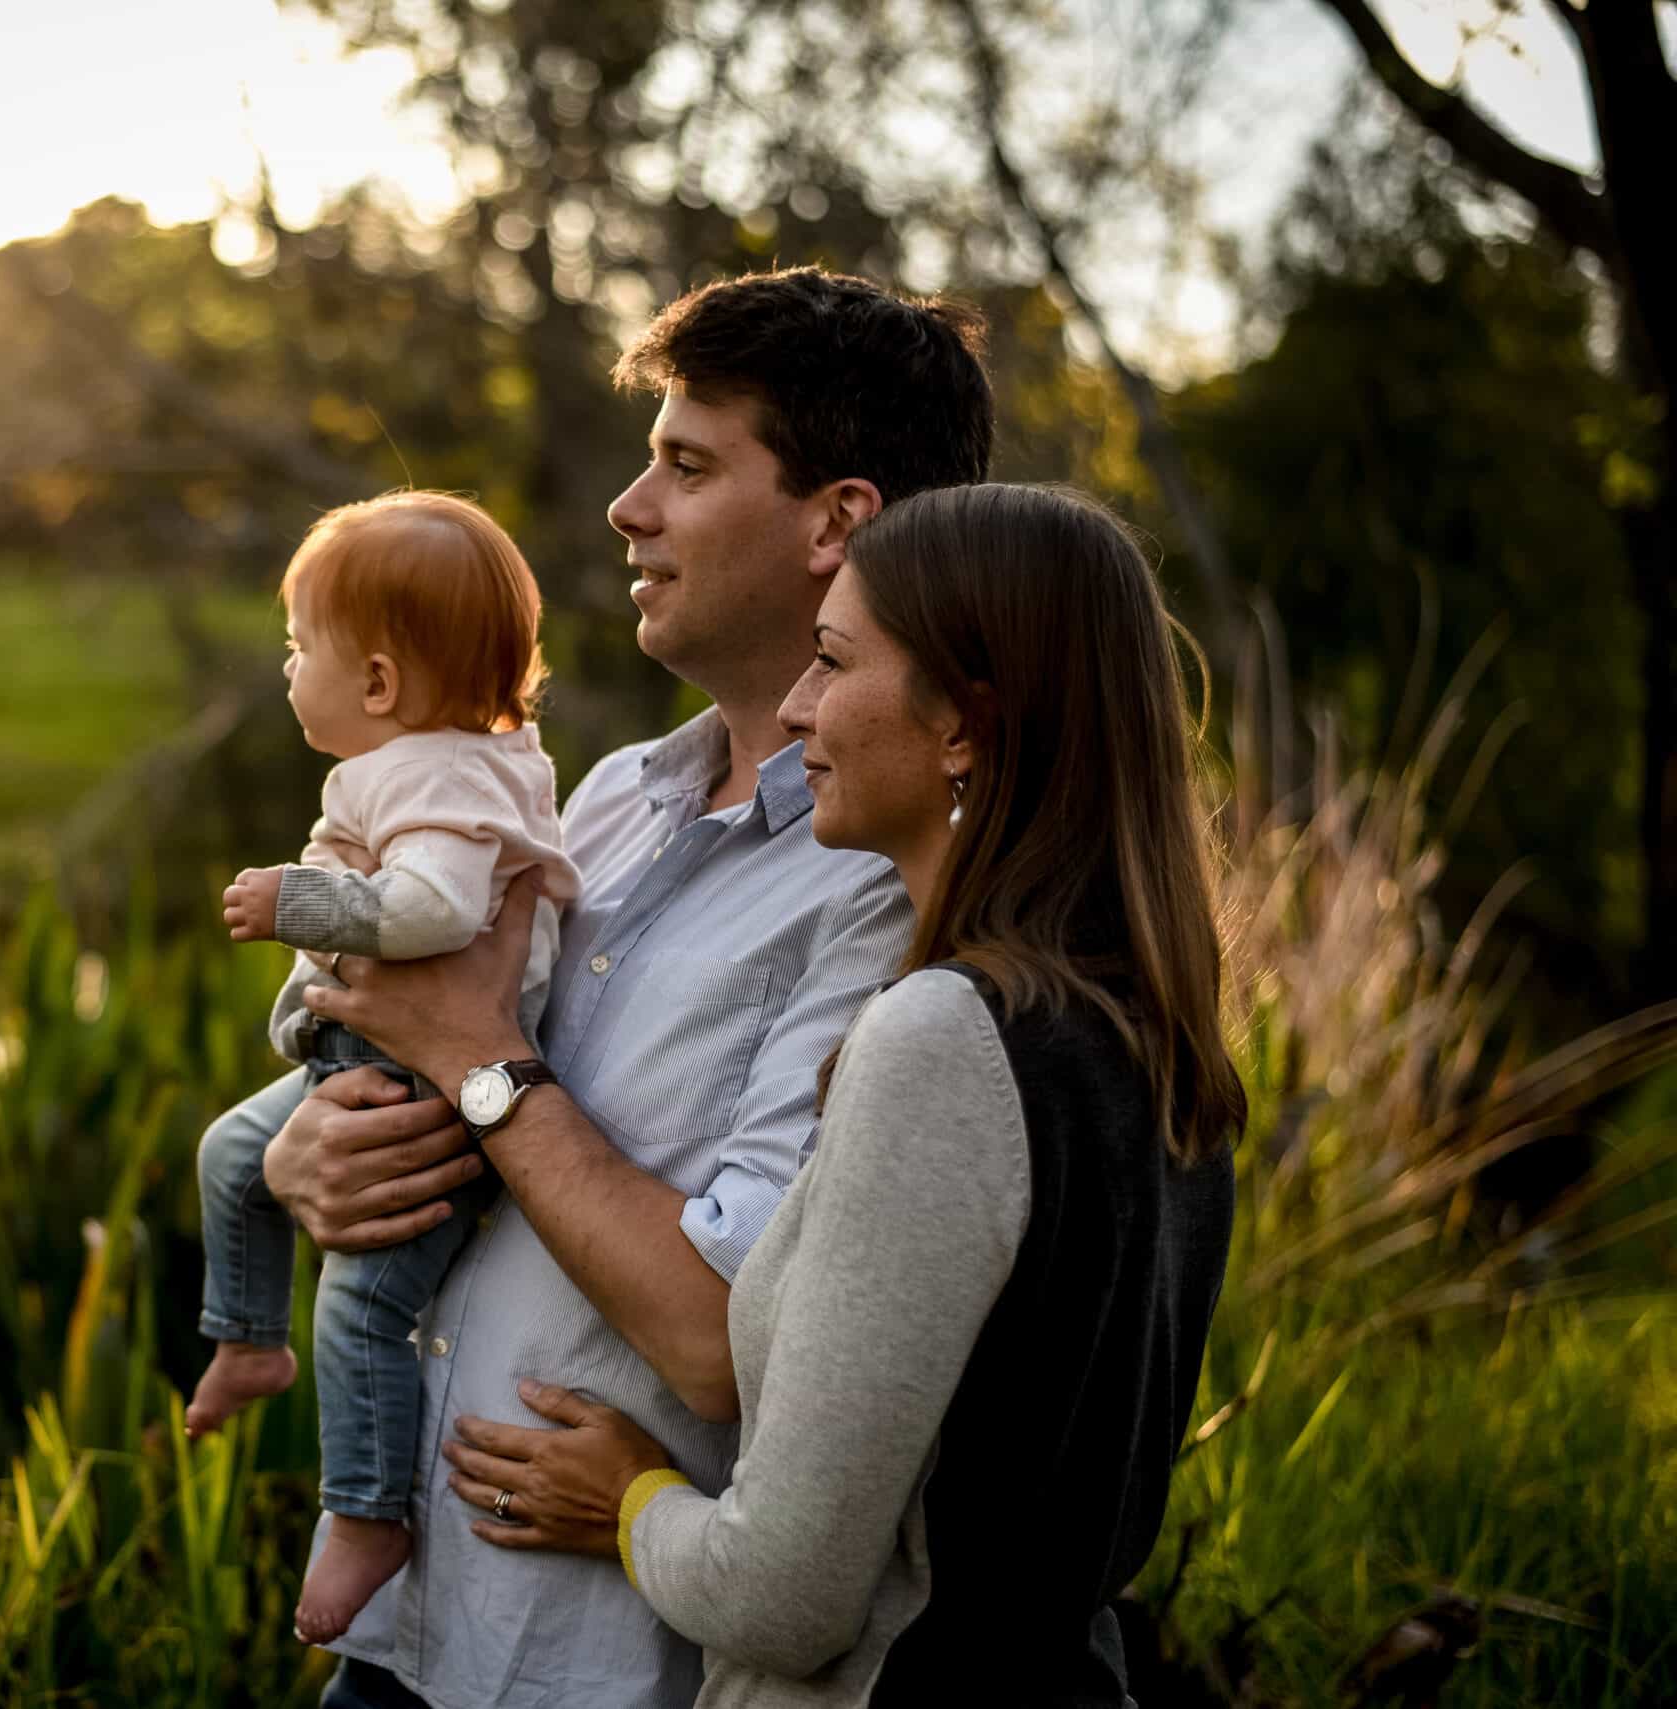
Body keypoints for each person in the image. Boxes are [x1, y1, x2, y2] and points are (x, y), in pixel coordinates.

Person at [233, 268, 995, 1709]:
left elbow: (725, 1335)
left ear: (840, 520)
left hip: (579, 1664)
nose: (626, 508)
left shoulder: (893, 888)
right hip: (415, 1622)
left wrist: (479, 1066)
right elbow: (439, 1074)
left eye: (687, 465)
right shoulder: (608, 800)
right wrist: (312, 1149)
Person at [430, 483, 1245, 1706]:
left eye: (833, 659)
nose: (801, 705)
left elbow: (782, 1594)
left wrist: (632, 1497)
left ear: (964, 725)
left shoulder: (944, 1038)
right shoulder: (1151, 1037)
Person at [187, 492, 584, 1643]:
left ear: (374, 683)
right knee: (230, 1152)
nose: (284, 665)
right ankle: (247, 1336)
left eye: (297, 645)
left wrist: (293, 901)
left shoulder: (443, 779)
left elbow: (433, 908)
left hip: (426, 1084)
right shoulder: (417, 763)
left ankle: (367, 1511)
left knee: (363, 1306)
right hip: (375, 1054)